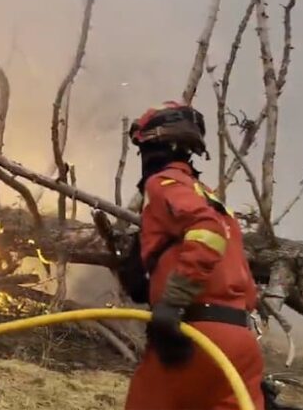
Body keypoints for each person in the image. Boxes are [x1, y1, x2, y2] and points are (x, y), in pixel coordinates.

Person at [120, 101, 265, 410]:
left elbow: (206, 232)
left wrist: (172, 303)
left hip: (195, 337)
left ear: (154, 145)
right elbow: (246, 287)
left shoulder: (164, 184)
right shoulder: (214, 200)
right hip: (241, 344)